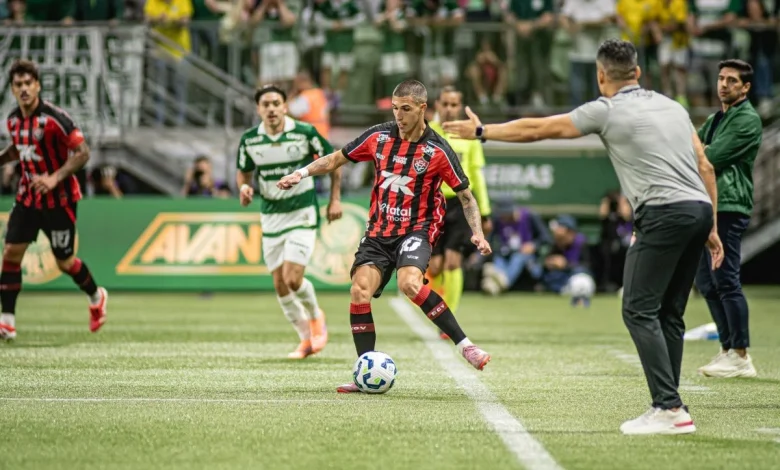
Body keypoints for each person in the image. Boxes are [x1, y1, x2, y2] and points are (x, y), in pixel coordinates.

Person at [444, 38, 724, 435]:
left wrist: (483, 131)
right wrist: (711, 226)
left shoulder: (606, 109)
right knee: (669, 314)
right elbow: (705, 166)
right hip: (698, 209)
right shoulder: (673, 106)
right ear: (639, 73)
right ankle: (671, 404)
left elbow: (541, 129)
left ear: (600, 75)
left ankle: (669, 407)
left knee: (638, 309)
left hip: (662, 213)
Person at [276, 79, 493, 393]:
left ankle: (465, 345)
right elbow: (336, 158)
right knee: (359, 291)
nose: (399, 116)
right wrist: (301, 173)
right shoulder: (378, 137)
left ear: (422, 108)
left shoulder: (437, 150)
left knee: (409, 283)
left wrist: (478, 234)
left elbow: (466, 197)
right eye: (395, 109)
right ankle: (365, 371)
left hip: (416, 229)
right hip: (378, 233)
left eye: (405, 109)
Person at [0, 60, 109, 340]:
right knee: (11, 253)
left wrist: (53, 178)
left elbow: (83, 153)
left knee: (64, 261)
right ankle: (7, 322)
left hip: (59, 200)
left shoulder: (55, 119)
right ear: (12, 89)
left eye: (28, 83)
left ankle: (97, 297)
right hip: (27, 198)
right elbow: (19, 149)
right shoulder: (12, 120)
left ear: (37, 85)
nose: (24, 89)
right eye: (18, 85)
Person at [236, 84, 342, 359]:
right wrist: (244, 188)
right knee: (280, 285)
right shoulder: (250, 140)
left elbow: (334, 161)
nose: (271, 109)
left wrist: (335, 200)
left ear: (285, 106)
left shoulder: (304, 132)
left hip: (301, 213)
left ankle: (317, 317)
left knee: (293, 278)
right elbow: (244, 172)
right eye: (265, 104)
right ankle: (306, 340)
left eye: (276, 103)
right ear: (258, 109)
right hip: (271, 216)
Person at [694, 59, 762, 379]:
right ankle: (726, 348)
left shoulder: (747, 120)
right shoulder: (717, 118)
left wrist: (703, 150)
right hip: (708, 204)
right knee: (707, 282)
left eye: (732, 81)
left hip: (730, 205)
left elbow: (709, 157)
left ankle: (740, 354)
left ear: (745, 87)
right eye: (721, 78)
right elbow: (690, 148)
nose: (723, 84)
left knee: (726, 280)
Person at [425, 86, 492, 339]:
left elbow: (476, 175)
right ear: (437, 105)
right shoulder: (426, 131)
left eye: (455, 104)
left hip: (461, 204)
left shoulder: (469, 135)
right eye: (446, 104)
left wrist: (484, 212)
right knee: (436, 266)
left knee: (453, 261)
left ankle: (448, 316)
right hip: (433, 203)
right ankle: (438, 302)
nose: (450, 109)